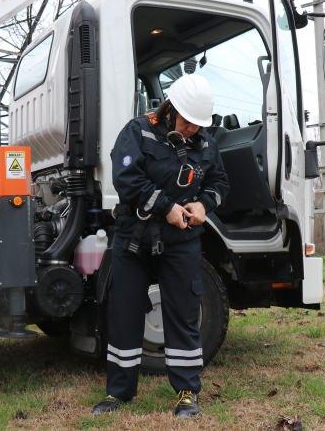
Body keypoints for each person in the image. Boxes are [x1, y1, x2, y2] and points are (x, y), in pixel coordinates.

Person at [92, 74, 230, 418]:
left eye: (199, 125)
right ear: (171, 109)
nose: (192, 130)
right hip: (134, 239)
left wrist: (204, 205)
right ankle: (118, 393)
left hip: (181, 241)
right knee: (124, 315)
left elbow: (219, 181)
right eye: (188, 122)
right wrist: (165, 207)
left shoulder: (206, 143)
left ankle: (187, 393)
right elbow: (126, 179)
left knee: (183, 315)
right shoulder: (138, 131)